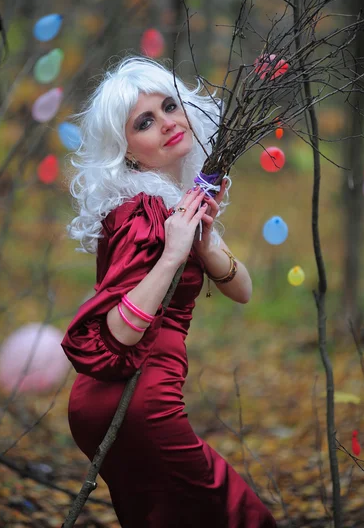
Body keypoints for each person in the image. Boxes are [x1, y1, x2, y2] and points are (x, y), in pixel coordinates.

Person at [61, 56, 277, 528]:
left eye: (169, 107)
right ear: (129, 150)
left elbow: (243, 291)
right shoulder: (142, 212)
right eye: (145, 122)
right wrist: (172, 255)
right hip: (136, 401)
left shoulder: (171, 204)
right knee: (240, 518)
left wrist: (203, 243)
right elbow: (116, 332)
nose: (166, 123)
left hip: (123, 402)